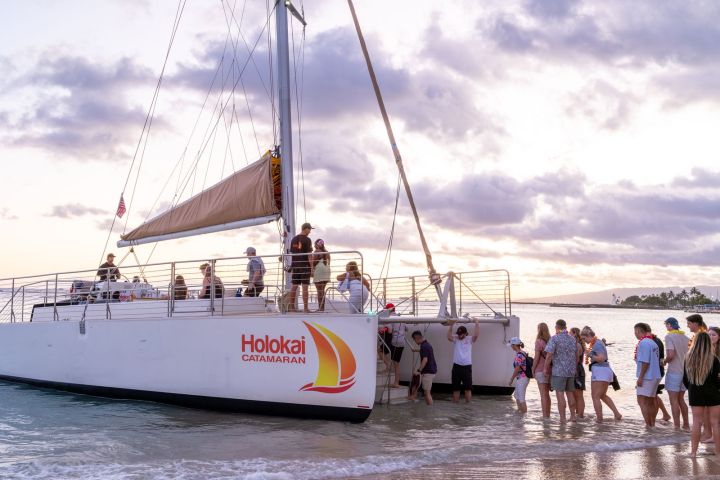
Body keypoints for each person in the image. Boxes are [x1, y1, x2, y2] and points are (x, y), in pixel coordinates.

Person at [683, 332, 720, 458]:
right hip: (712, 393)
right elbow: (716, 380)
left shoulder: (688, 357)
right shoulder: (714, 359)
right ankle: (718, 453)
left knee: (697, 422)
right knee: (715, 423)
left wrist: (692, 389)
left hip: (695, 393)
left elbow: (685, 379)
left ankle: (693, 452)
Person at [581, 326, 622, 423]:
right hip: (604, 370)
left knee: (595, 396)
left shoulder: (597, 344)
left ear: (588, 335)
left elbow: (601, 358)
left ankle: (599, 419)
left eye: (584, 338)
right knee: (602, 395)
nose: (584, 341)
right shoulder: (597, 342)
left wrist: (589, 353)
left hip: (600, 370)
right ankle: (617, 414)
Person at [544, 319, 578, 423]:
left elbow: (549, 355)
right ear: (565, 327)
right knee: (570, 393)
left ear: (557, 327)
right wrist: (574, 367)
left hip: (559, 371)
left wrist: (545, 368)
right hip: (571, 371)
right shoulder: (572, 339)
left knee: (560, 394)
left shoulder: (555, 338)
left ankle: (563, 418)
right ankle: (573, 417)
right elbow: (576, 355)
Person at [663, 317, 690, 430]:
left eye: (666, 325)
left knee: (673, 400)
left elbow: (671, 355)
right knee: (681, 399)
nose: (666, 327)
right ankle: (686, 425)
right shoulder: (686, 337)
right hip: (685, 373)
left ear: (669, 325)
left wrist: (663, 361)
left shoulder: (669, 337)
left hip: (674, 371)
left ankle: (677, 427)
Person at [634, 322, 662, 427]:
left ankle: (648, 425)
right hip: (655, 374)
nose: (635, 334)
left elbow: (645, 362)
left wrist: (640, 377)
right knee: (650, 401)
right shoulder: (653, 342)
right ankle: (652, 423)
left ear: (638, 331)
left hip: (648, 376)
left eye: (635, 331)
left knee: (641, 401)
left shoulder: (644, 343)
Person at [447, 320, 480, 403]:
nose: (459, 336)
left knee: (468, 388)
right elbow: (449, 337)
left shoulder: (469, 339)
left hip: (467, 366)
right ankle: (456, 407)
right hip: (456, 366)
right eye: (458, 334)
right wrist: (451, 325)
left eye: (461, 334)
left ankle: (467, 407)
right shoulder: (456, 338)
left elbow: (476, 335)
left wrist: (477, 323)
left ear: (466, 333)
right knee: (456, 388)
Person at [648, 325, 672, 423]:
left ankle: (652, 420)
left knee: (652, 396)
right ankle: (665, 414)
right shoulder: (656, 340)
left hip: (655, 371)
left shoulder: (653, 341)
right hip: (658, 370)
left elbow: (652, 359)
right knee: (654, 394)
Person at [288, 223, 313, 312]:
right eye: (309, 229)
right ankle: (306, 308)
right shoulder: (307, 240)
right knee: (305, 287)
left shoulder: (293, 239)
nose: (310, 232)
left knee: (294, 286)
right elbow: (309, 255)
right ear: (305, 229)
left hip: (295, 265)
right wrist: (312, 268)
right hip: (304, 265)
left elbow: (292, 253)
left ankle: (292, 308)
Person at [409, 330, 436, 405]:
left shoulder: (424, 346)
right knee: (426, 392)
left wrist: (419, 370)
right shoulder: (427, 344)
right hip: (432, 370)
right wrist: (416, 350)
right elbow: (425, 351)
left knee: (427, 393)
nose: (415, 342)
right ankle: (429, 409)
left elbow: (425, 360)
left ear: (417, 338)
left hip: (428, 372)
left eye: (414, 340)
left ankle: (430, 410)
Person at [533, 322, 552, 419]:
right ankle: (548, 415)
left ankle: (545, 417)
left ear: (539, 330)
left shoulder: (539, 341)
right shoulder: (551, 341)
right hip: (550, 370)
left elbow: (536, 358)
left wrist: (533, 369)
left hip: (540, 370)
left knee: (543, 395)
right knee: (547, 395)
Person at [508, 337, 530, 414]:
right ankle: (519, 414)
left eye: (511, 345)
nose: (511, 346)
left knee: (521, 398)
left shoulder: (519, 355)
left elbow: (517, 369)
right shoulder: (522, 352)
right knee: (516, 395)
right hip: (522, 378)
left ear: (514, 345)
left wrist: (511, 379)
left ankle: (524, 416)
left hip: (522, 378)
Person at [387, 304, 406, 388]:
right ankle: (396, 382)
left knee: (396, 364)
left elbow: (390, 331)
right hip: (402, 342)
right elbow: (406, 328)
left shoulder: (390, 318)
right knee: (397, 363)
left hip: (395, 342)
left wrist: (386, 328)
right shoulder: (400, 317)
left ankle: (396, 382)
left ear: (388, 310)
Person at [570, 327, 586, 419]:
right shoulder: (579, 344)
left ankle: (580, 415)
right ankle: (578, 414)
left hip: (577, 370)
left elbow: (575, 359)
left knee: (578, 395)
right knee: (576, 394)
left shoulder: (577, 345)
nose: (569, 335)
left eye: (570, 333)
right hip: (579, 368)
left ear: (574, 333)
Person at [311, 239, 331, 311]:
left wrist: (311, 270)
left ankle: (320, 308)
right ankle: (322, 308)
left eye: (315, 244)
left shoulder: (316, 252)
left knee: (319, 290)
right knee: (322, 290)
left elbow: (313, 262)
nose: (314, 246)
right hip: (326, 270)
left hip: (319, 270)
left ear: (317, 244)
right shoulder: (327, 252)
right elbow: (329, 262)